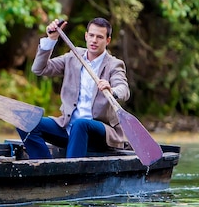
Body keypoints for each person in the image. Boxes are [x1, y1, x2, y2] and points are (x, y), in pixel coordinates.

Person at [17, 17, 130, 159]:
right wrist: (51, 39)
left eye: (100, 37)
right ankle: (46, 167)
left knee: (81, 124)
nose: (94, 40)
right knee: (23, 121)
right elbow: (39, 69)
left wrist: (112, 90)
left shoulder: (114, 64)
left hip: (100, 132)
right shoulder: (74, 56)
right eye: (92, 35)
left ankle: (70, 173)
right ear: (86, 36)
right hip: (68, 127)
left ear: (107, 41)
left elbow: (124, 89)